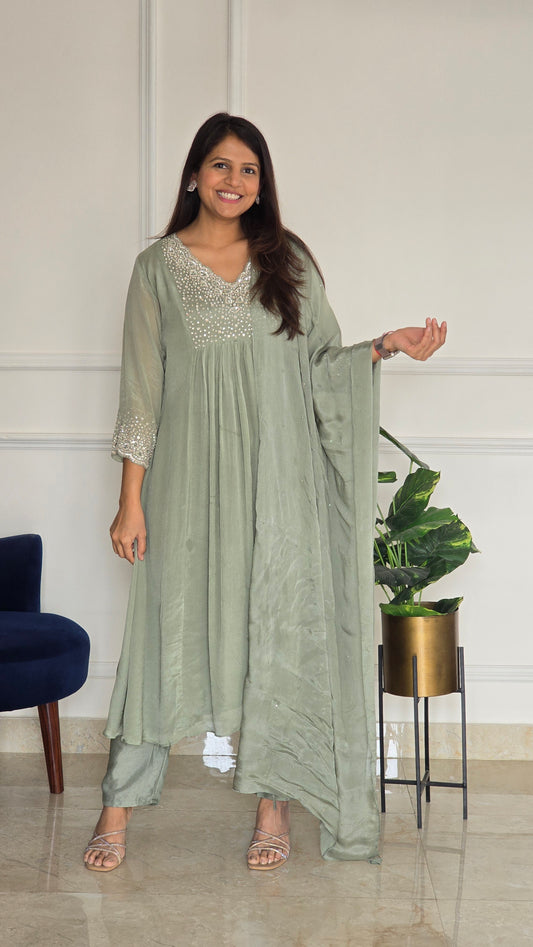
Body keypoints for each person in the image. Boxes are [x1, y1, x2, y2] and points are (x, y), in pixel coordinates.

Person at [84, 113, 446, 873]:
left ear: (261, 183)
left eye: (248, 170)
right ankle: (116, 807)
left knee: (273, 637)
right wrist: (130, 499)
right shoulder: (156, 269)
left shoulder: (289, 260)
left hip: (278, 486)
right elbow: (141, 392)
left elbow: (322, 367)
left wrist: (385, 345)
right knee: (160, 634)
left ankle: (272, 805)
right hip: (185, 486)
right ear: (194, 175)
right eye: (221, 165)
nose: (234, 181)